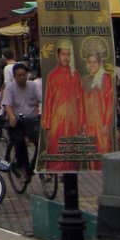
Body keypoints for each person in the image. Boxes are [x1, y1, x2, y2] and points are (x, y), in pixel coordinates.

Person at [40, 41, 84, 171]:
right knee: (56, 149)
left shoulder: (75, 75)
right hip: (56, 121)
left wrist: (81, 122)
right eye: (63, 54)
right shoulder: (52, 76)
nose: (66, 57)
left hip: (73, 121)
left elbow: (80, 101)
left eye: (68, 54)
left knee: (72, 151)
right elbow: (48, 100)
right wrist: (47, 123)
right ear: (58, 56)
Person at [2, 62, 42, 174]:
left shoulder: (33, 86)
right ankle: (23, 167)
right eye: (19, 75)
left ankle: (35, 165)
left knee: (41, 141)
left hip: (31, 120)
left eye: (24, 74)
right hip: (17, 121)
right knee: (19, 141)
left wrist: (38, 110)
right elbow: (7, 105)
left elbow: (40, 99)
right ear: (14, 77)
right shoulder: (10, 88)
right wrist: (11, 116)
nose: (22, 77)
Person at [80, 38, 116, 156]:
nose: (91, 65)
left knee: (103, 151)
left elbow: (110, 103)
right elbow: (82, 104)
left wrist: (106, 124)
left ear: (99, 63)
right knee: (91, 153)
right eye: (89, 62)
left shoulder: (105, 78)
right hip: (89, 124)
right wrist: (83, 122)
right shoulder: (85, 80)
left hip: (101, 123)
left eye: (94, 62)